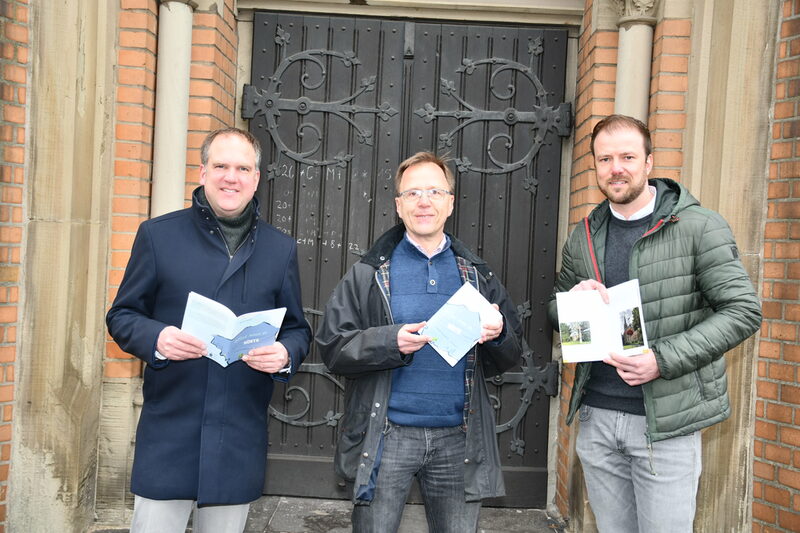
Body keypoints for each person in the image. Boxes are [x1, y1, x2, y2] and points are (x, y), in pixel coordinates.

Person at [547, 114, 761, 533]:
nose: (616, 168)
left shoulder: (699, 226)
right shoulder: (585, 233)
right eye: (605, 159)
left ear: (649, 162)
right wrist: (572, 303)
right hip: (597, 419)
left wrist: (661, 359)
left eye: (627, 156)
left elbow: (743, 311)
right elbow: (557, 314)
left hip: (666, 423)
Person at [106, 127, 311, 533]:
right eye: (220, 166)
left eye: (242, 168)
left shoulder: (280, 248)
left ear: (256, 178)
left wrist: (285, 354)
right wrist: (157, 339)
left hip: (236, 435)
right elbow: (122, 315)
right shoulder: (158, 235)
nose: (230, 177)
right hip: (170, 431)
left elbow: (298, 330)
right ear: (202, 172)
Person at [316, 152, 523, 533]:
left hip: (459, 440)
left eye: (433, 192)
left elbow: (511, 355)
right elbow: (332, 347)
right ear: (398, 205)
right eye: (412, 194)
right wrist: (389, 341)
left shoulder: (477, 275)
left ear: (450, 202)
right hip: (386, 436)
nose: (423, 201)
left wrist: (499, 334)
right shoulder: (369, 272)